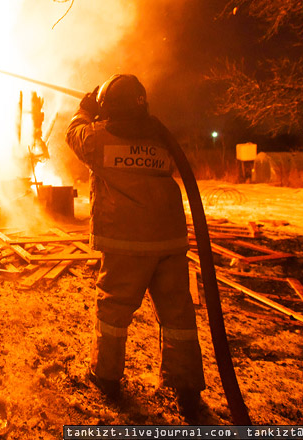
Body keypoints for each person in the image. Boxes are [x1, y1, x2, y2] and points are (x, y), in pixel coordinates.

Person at [65, 74, 205, 411]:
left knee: (112, 312)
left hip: (127, 242)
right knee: (178, 315)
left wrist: (84, 110)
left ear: (107, 107)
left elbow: (74, 135)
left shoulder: (99, 138)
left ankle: (106, 377)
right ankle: (185, 387)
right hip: (169, 241)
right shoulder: (162, 139)